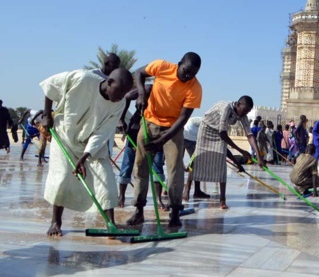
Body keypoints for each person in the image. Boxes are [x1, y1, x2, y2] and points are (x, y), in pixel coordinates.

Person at [40, 68, 133, 237]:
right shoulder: (82, 78)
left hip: (91, 144)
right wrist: (47, 114)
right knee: (61, 177)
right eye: (120, 91)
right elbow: (50, 87)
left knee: (105, 178)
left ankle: (110, 223)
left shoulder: (119, 104)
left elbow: (102, 132)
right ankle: (56, 222)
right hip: (64, 136)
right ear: (109, 82)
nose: (121, 96)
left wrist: (85, 156)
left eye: (125, 93)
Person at [126, 52, 203, 228]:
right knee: (140, 167)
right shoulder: (161, 66)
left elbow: (183, 118)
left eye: (193, 74)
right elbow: (139, 73)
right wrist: (140, 94)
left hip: (173, 129)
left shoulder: (195, 88)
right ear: (179, 64)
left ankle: (175, 212)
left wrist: (162, 140)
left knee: (175, 170)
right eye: (186, 71)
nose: (188, 76)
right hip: (149, 122)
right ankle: (138, 211)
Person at [190, 96, 264, 209]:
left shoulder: (242, 115)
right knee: (199, 158)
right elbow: (223, 135)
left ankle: (222, 200)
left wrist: (259, 157)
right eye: (244, 110)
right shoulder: (226, 108)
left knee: (221, 164)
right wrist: (241, 151)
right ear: (238, 104)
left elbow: (249, 135)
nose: (245, 113)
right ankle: (189, 190)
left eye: (248, 112)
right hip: (207, 129)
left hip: (220, 132)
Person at [117, 85, 166, 208]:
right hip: (136, 129)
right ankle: (121, 196)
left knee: (157, 166)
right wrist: (121, 119)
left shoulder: (166, 94)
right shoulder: (146, 89)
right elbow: (127, 97)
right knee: (128, 164)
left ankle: (159, 199)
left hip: (156, 130)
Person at [181, 116, 211, 201]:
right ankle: (189, 191)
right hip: (190, 137)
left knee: (191, 164)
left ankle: (167, 190)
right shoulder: (207, 123)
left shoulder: (200, 121)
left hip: (184, 135)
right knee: (195, 165)